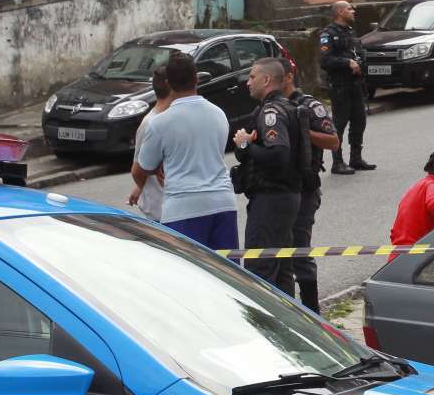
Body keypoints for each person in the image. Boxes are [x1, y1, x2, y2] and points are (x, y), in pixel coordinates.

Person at [132, 54, 238, 251]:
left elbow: (143, 167)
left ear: (168, 83)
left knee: (188, 275)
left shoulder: (159, 123)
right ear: (197, 78)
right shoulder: (218, 113)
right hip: (223, 202)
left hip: (184, 207)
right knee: (225, 276)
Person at [233, 58, 306, 293]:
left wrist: (245, 146)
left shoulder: (271, 112)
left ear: (266, 80)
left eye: (252, 77)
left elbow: (278, 154)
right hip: (284, 196)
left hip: (272, 198)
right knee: (282, 268)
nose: (247, 82)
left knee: (259, 270)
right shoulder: (284, 107)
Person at [281, 58, 340, 313]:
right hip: (276, 190)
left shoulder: (309, 106)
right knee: (278, 254)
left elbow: (333, 141)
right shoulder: (270, 106)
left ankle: (312, 313)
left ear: (287, 77)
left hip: (304, 188)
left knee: (299, 252)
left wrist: (302, 130)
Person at [319, 1, 375, 175]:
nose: (353, 11)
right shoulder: (328, 34)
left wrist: (360, 62)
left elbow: (357, 53)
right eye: (349, 9)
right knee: (339, 124)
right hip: (340, 86)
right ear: (339, 12)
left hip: (356, 84)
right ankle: (337, 162)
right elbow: (325, 60)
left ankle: (356, 159)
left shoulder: (350, 32)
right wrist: (347, 62)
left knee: (359, 122)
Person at [129, 66, 173, 222]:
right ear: (170, 86)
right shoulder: (149, 123)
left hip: (171, 208)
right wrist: (144, 187)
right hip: (159, 211)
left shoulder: (171, 117)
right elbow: (137, 170)